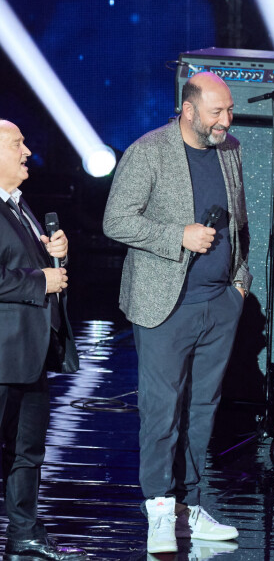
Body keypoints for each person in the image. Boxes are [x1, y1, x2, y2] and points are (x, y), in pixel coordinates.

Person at [103, 72, 251, 554]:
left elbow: (239, 220)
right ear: (188, 110)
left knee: (203, 409)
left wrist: (239, 284)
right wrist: (177, 237)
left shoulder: (229, 150)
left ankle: (189, 505)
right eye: (216, 112)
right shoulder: (148, 150)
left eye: (228, 111)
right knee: (162, 411)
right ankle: (160, 510)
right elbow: (115, 220)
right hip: (165, 305)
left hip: (219, 303)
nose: (225, 121)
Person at [0, 119, 84, 559]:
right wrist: (40, 280)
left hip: (30, 353)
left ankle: (24, 535)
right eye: (17, 143)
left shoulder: (19, 204)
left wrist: (57, 254)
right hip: (2, 352)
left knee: (27, 450)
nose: (27, 151)